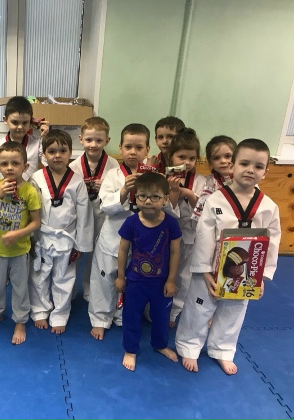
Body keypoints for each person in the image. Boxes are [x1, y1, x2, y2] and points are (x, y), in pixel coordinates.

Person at [175, 139, 280, 375]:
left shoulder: (268, 207)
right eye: (244, 163)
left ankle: (222, 349)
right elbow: (204, 236)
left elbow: (272, 242)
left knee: (234, 310)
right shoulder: (215, 199)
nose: (250, 170)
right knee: (199, 307)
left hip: (246, 270)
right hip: (211, 267)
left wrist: (261, 276)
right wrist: (204, 270)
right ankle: (189, 345)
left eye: (258, 166)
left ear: (265, 172)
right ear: (232, 166)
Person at [88, 123, 150, 340]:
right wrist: (124, 190)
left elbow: (161, 206)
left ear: (147, 150)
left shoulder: (152, 177)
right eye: (128, 147)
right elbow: (105, 205)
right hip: (113, 236)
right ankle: (100, 318)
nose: (133, 152)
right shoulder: (112, 175)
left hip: (141, 240)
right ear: (120, 148)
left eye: (139, 147)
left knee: (133, 280)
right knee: (104, 279)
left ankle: (124, 316)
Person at [115, 171, 182, 371]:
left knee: (161, 317)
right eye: (142, 196)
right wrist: (120, 277)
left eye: (155, 197)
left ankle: (160, 344)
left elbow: (175, 252)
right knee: (131, 315)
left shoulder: (171, 223)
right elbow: (122, 250)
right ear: (135, 198)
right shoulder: (131, 222)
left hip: (161, 282)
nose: (148, 201)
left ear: (165, 199)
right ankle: (130, 349)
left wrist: (171, 280)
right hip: (136, 280)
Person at [29, 129, 94, 334]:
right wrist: (29, 238)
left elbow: (84, 214)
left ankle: (60, 314)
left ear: (70, 153)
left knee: (64, 278)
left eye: (63, 151)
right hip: (41, 236)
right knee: (38, 276)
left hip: (67, 238)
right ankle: (39, 310)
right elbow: (30, 209)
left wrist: (81, 245)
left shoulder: (77, 181)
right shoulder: (36, 177)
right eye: (52, 151)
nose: (57, 155)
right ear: (44, 154)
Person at [0, 141, 41, 345]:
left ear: (25, 166)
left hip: (20, 250)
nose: (10, 168)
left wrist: (18, 234)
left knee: (20, 287)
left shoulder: (29, 191)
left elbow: (36, 222)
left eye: (15, 163)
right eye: (4, 164)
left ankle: (20, 320)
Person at [68, 117, 119, 301]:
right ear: (81, 139)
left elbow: (118, 192)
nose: (93, 144)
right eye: (89, 140)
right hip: (79, 216)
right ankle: (69, 291)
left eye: (99, 140)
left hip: (102, 215)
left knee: (96, 255)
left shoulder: (114, 165)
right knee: (75, 252)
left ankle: (90, 289)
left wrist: (106, 186)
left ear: (107, 140)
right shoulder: (73, 166)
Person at [166, 128, 206, 327]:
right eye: (181, 157)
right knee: (164, 272)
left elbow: (203, 210)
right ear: (171, 157)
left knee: (183, 276)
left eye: (192, 158)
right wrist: (174, 191)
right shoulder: (165, 179)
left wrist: (189, 193)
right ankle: (155, 307)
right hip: (167, 235)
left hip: (190, 236)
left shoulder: (201, 181)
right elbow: (167, 210)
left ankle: (174, 312)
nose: (187, 162)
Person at [0, 96, 49, 181]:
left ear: (31, 121)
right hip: (5, 188)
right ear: (5, 120)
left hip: (30, 188)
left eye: (25, 123)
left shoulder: (37, 143)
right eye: (15, 122)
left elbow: (48, 163)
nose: (20, 127)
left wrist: (45, 139)